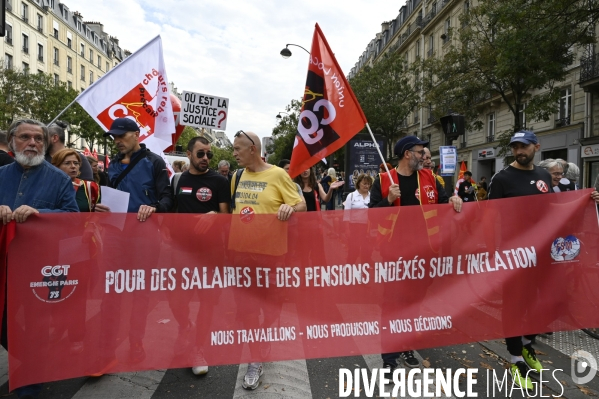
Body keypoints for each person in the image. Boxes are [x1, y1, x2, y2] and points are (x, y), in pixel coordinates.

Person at [369, 135, 462, 371]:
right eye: (421, 152)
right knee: (392, 306)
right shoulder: (382, 180)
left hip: (423, 254)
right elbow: (371, 217)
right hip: (393, 254)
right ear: (407, 153)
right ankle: (389, 359)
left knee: (414, 304)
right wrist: (388, 199)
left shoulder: (429, 178)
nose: (425, 157)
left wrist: (454, 199)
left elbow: (443, 203)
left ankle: (407, 344)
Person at [0, 119, 78, 399]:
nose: (32, 143)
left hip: (41, 270)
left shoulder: (59, 180)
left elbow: (72, 219)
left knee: (36, 326)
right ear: (12, 142)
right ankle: (32, 357)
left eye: (38, 138)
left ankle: (30, 383)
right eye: (25, 137)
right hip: (5, 265)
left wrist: (39, 215)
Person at [230, 130, 305, 390]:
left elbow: (301, 205)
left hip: (271, 257)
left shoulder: (278, 175)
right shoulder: (236, 176)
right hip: (242, 256)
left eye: (238, 148)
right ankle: (255, 359)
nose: (234, 153)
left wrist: (289, 207)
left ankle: (264, 339)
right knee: (248, 310)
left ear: (253, 149)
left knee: (271, 309)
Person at [486, 130, 555, 390]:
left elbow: (553, 209)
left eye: (523, 147)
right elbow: (489, 219)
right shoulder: (501, 178)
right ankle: (516, 360)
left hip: (541, 255)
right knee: (514, 308)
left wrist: (586, 200)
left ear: (536, 147)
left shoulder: (544, 176)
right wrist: (495, 257)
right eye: (515, 147)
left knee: (538, 304)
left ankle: (527, 345)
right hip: (512, 257)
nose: (519, 151)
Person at [169, 136, 230, 375]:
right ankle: (186, 326)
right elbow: (170, 211)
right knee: (176, 300)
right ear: (189, 154)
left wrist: (215, 214)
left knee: (206, 303)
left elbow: (228, 218)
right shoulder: (176, 180)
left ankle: (198, 348)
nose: (206, 158)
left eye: (209, 154)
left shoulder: (219, 181)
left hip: (210, 253)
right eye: (201, 154)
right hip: (180, 253)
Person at [95, 117, 173, 219]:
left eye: (122, 136)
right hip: (116, 228)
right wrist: (101, 208)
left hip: (144, 227)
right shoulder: (113, 164)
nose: (117, 141)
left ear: (136, 135)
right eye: (114, 137)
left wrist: (154, 208)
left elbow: (167, 197)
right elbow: (109, 198)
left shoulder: (155, 162)